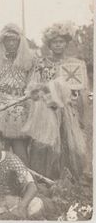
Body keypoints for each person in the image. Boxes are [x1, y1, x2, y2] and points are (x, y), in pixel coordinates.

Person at [22, 21, 90, 181]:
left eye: (61, 42)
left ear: (66, 43)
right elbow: (33, 87)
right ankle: (46, 180)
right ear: (49, 44)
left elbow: (80, 90)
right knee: (47, 145)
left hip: (68, 110)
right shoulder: (42, 64)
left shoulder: (74, 64)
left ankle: (70, 180)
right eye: (54, 42)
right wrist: (44, 89)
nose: (58, 45)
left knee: (72, 146)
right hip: (47, 110)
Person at [0, 23, 35, 165]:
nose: (11, 43)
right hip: (0, 105)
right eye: (8, 40)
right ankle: (1, 179)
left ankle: (24, 178)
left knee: (20, 147)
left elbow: (31, 83)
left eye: (14, 40)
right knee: (1, 146)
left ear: (19, 42)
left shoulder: (28, 61)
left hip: (19, 106)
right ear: (3, 42)